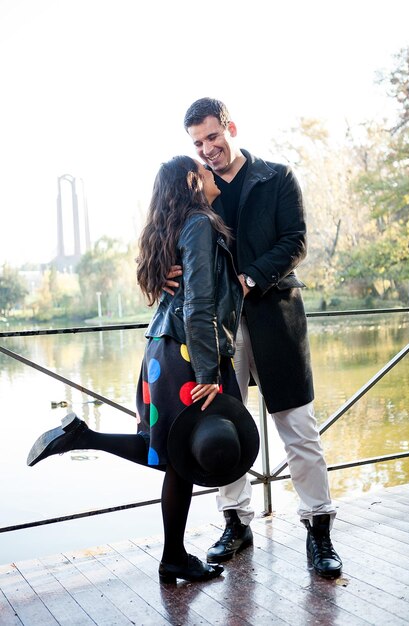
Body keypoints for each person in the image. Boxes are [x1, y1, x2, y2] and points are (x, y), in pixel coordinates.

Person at [26, 155, 248, 584]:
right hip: (190, 354)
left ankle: (171, 555)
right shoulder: (200, 224)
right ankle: (172, 557)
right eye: (203, 170)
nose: (211, 171)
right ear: (192, 182)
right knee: (181, 455)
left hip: (161, 355)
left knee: (173, 455)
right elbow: (199, 304)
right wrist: (208, 373)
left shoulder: (174, 227)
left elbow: (180, 294)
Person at [165, 98, 342, 579]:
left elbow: (296, 240)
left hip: (276, 317)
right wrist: (164, 274)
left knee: (299, 430)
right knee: (223, 425)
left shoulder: (277, 177)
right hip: (216, 331)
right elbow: (167, 241)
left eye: (212, 137)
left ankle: (319, 530)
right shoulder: (193, 192)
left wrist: (250, 278)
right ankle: (236, 523)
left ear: (231, 128)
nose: (207, 149)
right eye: (198, 143)